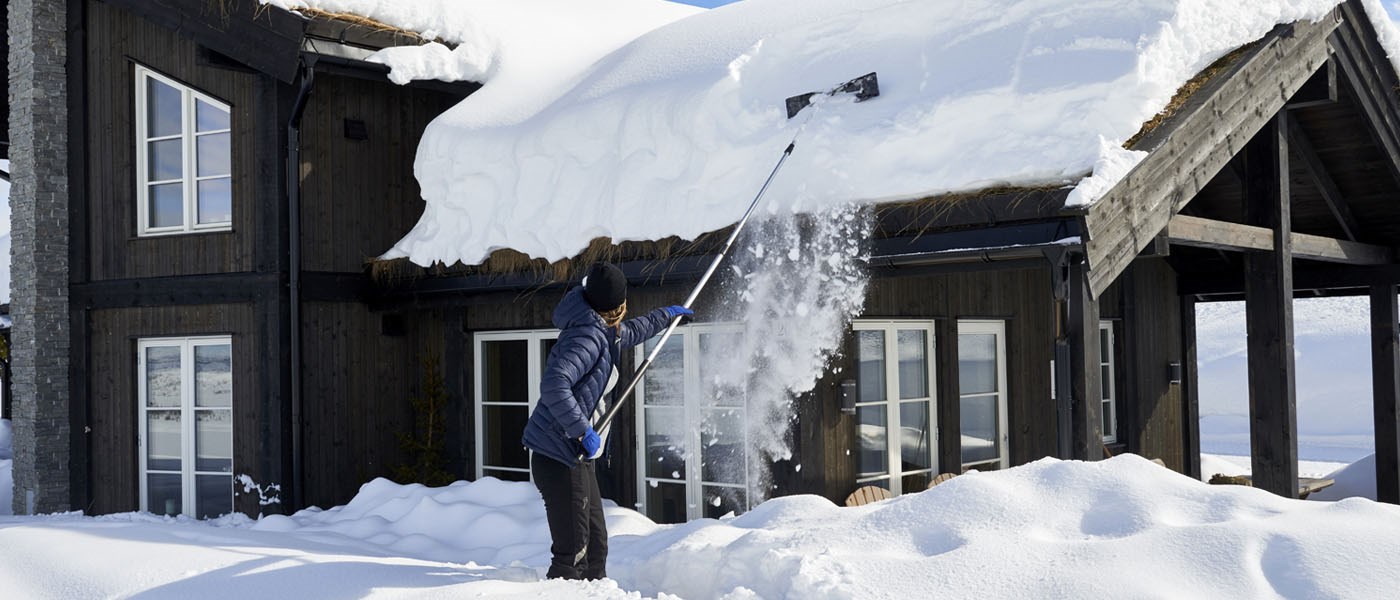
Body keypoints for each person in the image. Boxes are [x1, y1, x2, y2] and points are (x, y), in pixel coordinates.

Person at [521, 262, 693, 580]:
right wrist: (582, 430)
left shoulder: (600, 328)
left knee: (596, 548)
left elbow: (630, 332)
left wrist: (666, 316)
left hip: (574, 455)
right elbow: (554, 385)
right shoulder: (586, 337)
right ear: (618, 306)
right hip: (559, 456)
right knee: (574, 555)